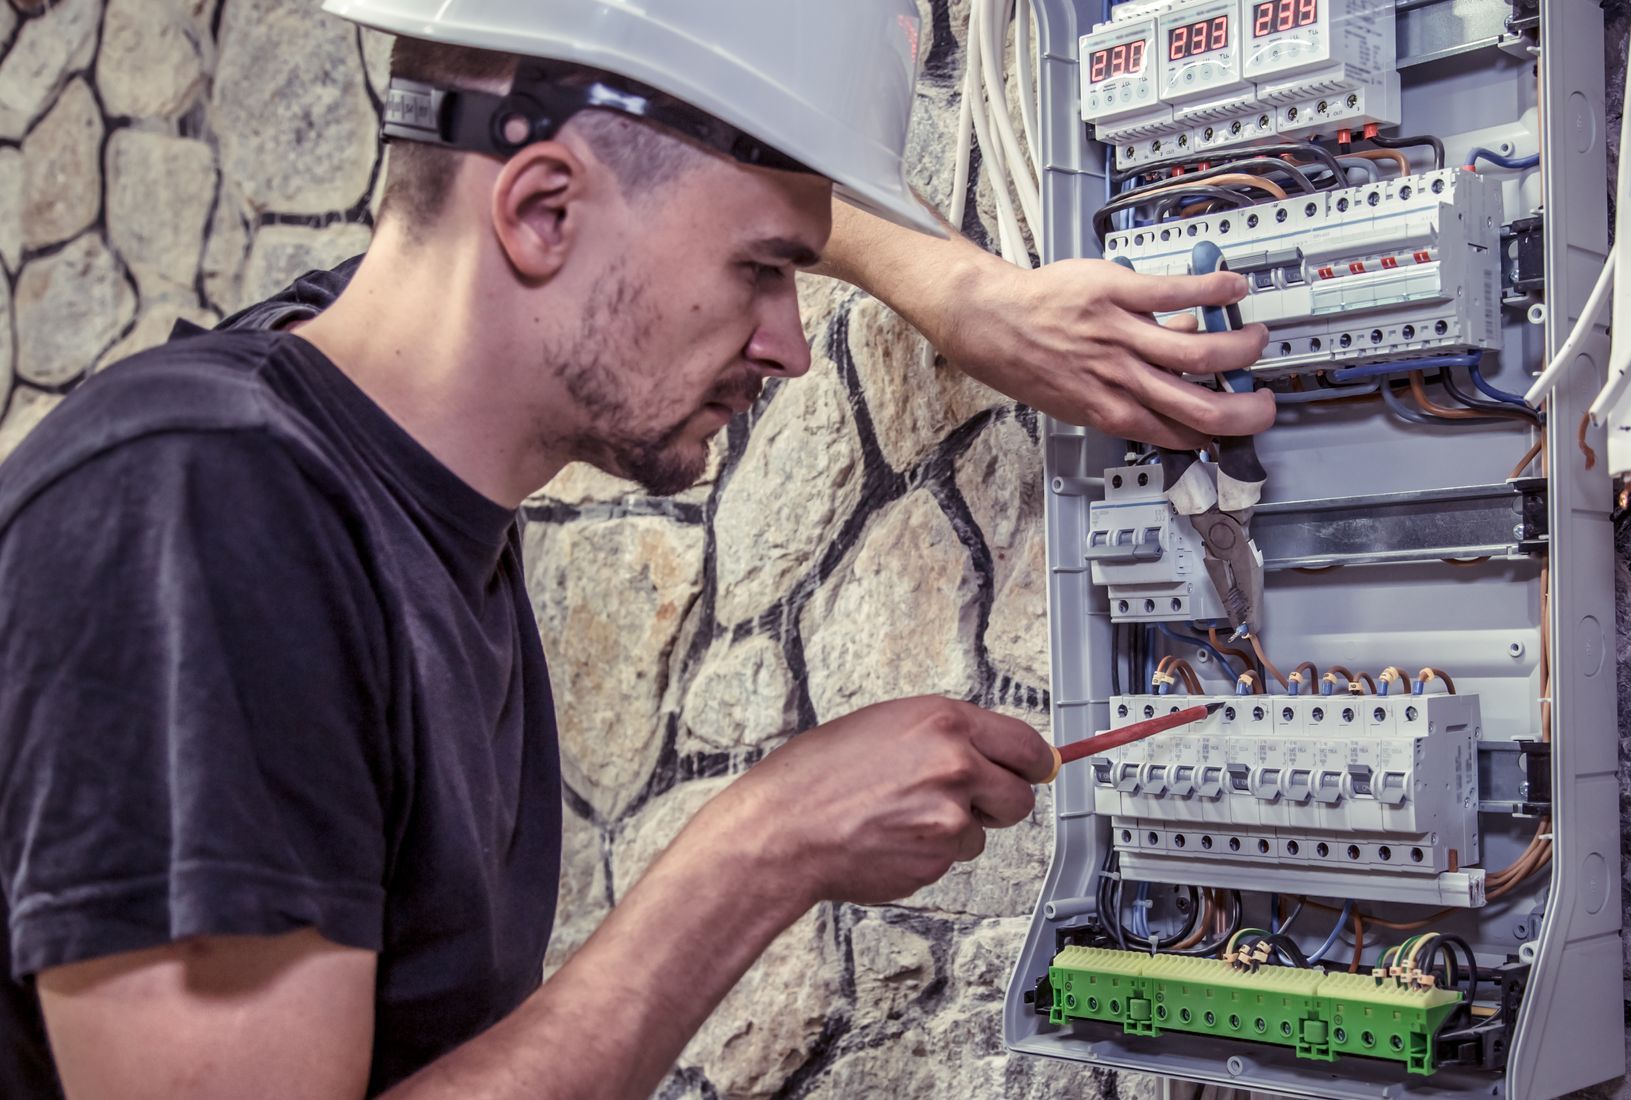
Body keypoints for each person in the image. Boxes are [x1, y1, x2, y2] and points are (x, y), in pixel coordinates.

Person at [0, 1, 1271, 1096]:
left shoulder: (365, 457)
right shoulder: (198, 511)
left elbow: (626, 154)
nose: (784, 344)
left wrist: (951, 286)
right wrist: (762, 847)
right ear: (539, 212)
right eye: (763, 271)